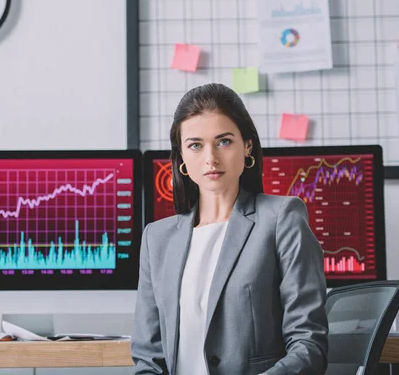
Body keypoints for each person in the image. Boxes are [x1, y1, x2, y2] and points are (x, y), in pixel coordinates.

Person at [131, 83, 328, 375]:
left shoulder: (281, 218)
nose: (210, 157)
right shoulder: (157, 239)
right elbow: (149, 358)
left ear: (247, 145)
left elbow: (309, 345)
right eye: (195, 145)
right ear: (182, 157)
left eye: (223, 141)